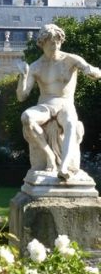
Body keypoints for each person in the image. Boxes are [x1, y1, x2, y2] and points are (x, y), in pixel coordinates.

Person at [17, 24, 101, 180]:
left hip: (65, 104)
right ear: (42, 43)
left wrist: (92, 71)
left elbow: (94, 71)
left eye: (58, 41)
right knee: (26, 117)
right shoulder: (35, 66)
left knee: (70, 122)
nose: (55, 45)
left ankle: (64, 166)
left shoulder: (71, 60)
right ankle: (49, 155)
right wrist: (23, 77)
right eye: (51, 42)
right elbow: (22, 96)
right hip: (45, 105)